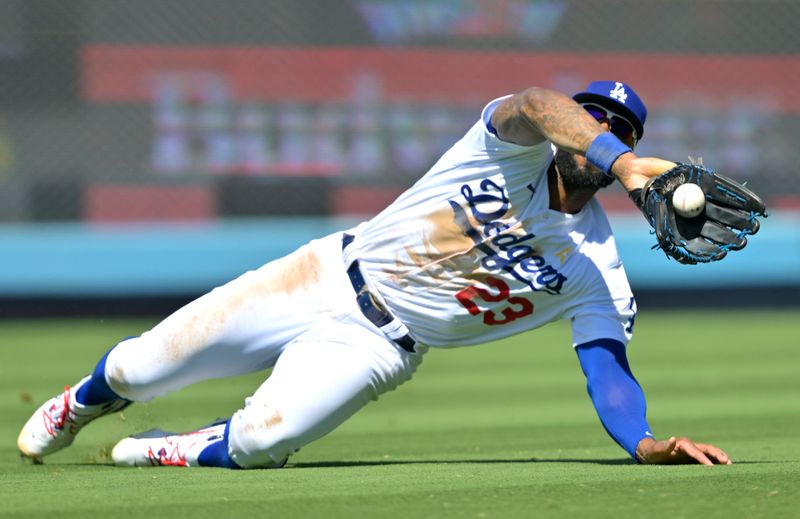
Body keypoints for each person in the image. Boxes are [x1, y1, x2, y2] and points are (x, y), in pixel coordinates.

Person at [18, 80, 732, 469]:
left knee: (261, 444)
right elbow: (533, 103)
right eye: (593, 116)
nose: (599, 126)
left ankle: (159, 447)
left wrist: (641, 441)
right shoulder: (508, 149)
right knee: (142, 365)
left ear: (639, 146)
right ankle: (83, 403)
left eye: (620, 127)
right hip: (327, 274)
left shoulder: (597, 264)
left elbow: (606, 366)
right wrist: (618, 156)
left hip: (380, 347)